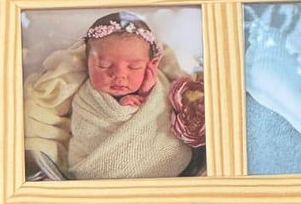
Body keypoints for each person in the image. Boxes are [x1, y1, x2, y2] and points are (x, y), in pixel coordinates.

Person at [24, 11, 201, 180]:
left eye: (133, 67)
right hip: (96, 166)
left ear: (151, 65)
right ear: (88, 63)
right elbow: (84, 129)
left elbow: (164, 113)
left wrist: (147, 93)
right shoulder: (86, 97)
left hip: (160, 158)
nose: (119, 75)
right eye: (104, 66)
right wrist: (122, 109)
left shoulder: (160, 86)